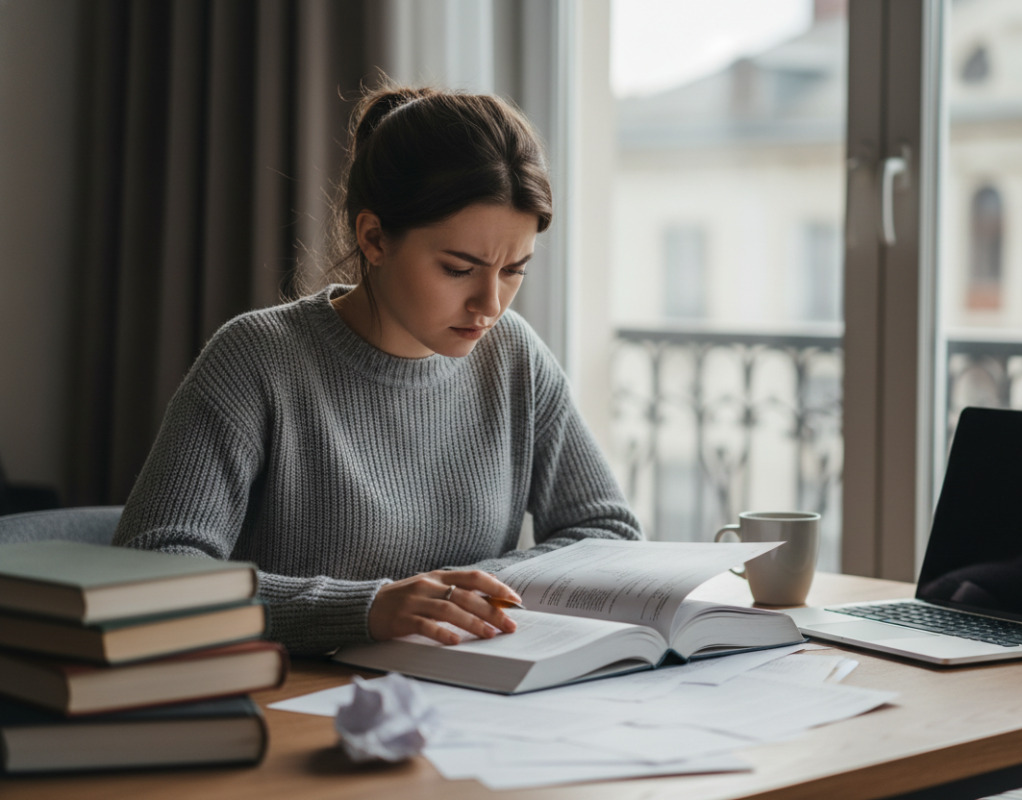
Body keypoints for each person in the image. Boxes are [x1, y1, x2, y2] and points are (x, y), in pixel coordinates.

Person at [114, 84, 642, 655]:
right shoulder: (256, 358)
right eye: (459, 268)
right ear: (374, 238)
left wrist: (463, 594)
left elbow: (608, 532)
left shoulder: (514, 356)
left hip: (467, 694)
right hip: (289, 698)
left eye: (514, 270)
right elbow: (151, 572)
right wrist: (366, 608)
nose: (490, 305)